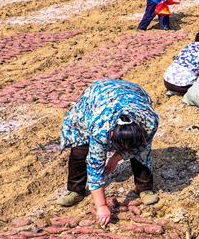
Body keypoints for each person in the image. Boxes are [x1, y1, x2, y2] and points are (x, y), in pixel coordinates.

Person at [58, 80, 160, 226]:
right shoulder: (100, 129)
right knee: (80, 151)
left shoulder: (149, 121)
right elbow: (95, 168)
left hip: (132, 92)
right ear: (111, 134)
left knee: (142, 153)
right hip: (95, 98)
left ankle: (145, 189)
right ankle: (75, 191)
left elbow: (141, 147)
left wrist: (116, 158)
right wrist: (101, 206)